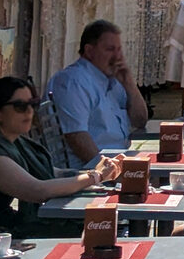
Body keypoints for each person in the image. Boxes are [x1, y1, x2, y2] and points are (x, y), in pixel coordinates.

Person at [0, 77, 122, 235]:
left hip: (2, 225)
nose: (29, 111)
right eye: (20, 106)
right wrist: (95, 176)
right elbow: (36, 190)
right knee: (97, 229)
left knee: (106, 224)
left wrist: (104, 172)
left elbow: (53, 173)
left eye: (33, 104)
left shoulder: (11, 139)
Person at [46, 19, 148, 164]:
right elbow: (77, 137)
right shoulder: (74, 82)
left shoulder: (112, 78)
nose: (117, 56)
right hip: (87, 169)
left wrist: (129, 84)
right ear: (89, 51)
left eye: (119, 49)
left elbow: (140, 121)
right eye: (110, 49)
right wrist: (107, 171)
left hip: (116, 160)